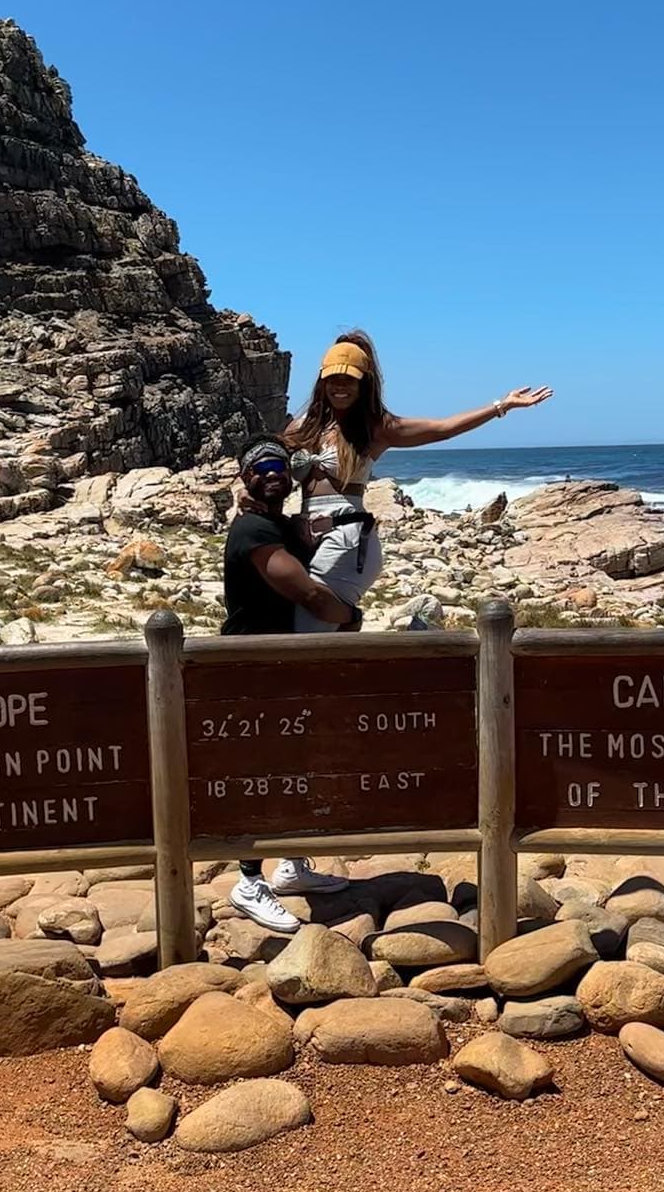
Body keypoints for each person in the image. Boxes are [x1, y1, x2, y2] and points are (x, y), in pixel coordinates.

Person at [286, 330, 552, 631]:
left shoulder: (377, 428)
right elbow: (267, 462)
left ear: (364, 382)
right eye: (334, 378)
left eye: (350, 379)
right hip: (307, 540)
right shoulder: (304, 427)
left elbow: (443, 428)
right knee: (296, 625)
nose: (340, 386)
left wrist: (501, 406)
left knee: (308, 629)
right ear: (322, 380)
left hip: (347, 539)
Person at [221, 437, 361, 932]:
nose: (272, 472)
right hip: (251, 666)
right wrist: (349, 618)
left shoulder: (278, 523)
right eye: (260, 467)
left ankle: (291, 865)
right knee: (261, 771)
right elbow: (305, 590)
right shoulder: (254, 530)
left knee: (296, 763)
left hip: (284, 660)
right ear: (245, 478)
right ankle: (247, 880)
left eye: (279, 464)